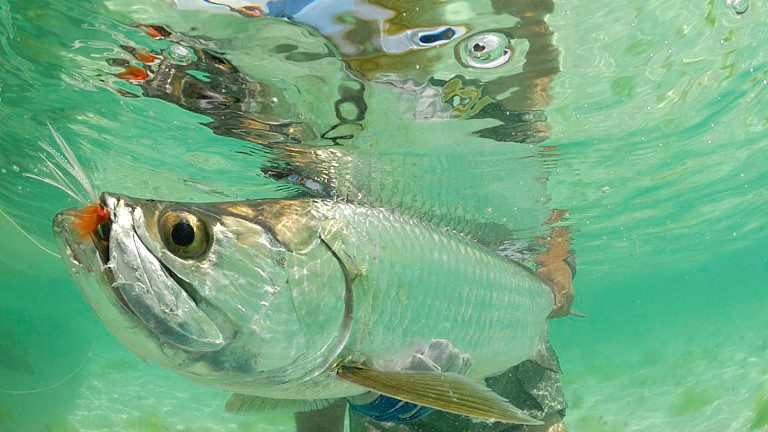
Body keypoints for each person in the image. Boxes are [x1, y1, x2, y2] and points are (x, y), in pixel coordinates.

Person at [109, 2, 574, 430]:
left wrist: (556, 273)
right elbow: (311, 337)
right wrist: (361, 390)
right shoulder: (279, 116)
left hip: (506, 319)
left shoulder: (500, 101)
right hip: (366, 368)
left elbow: (547, 211)